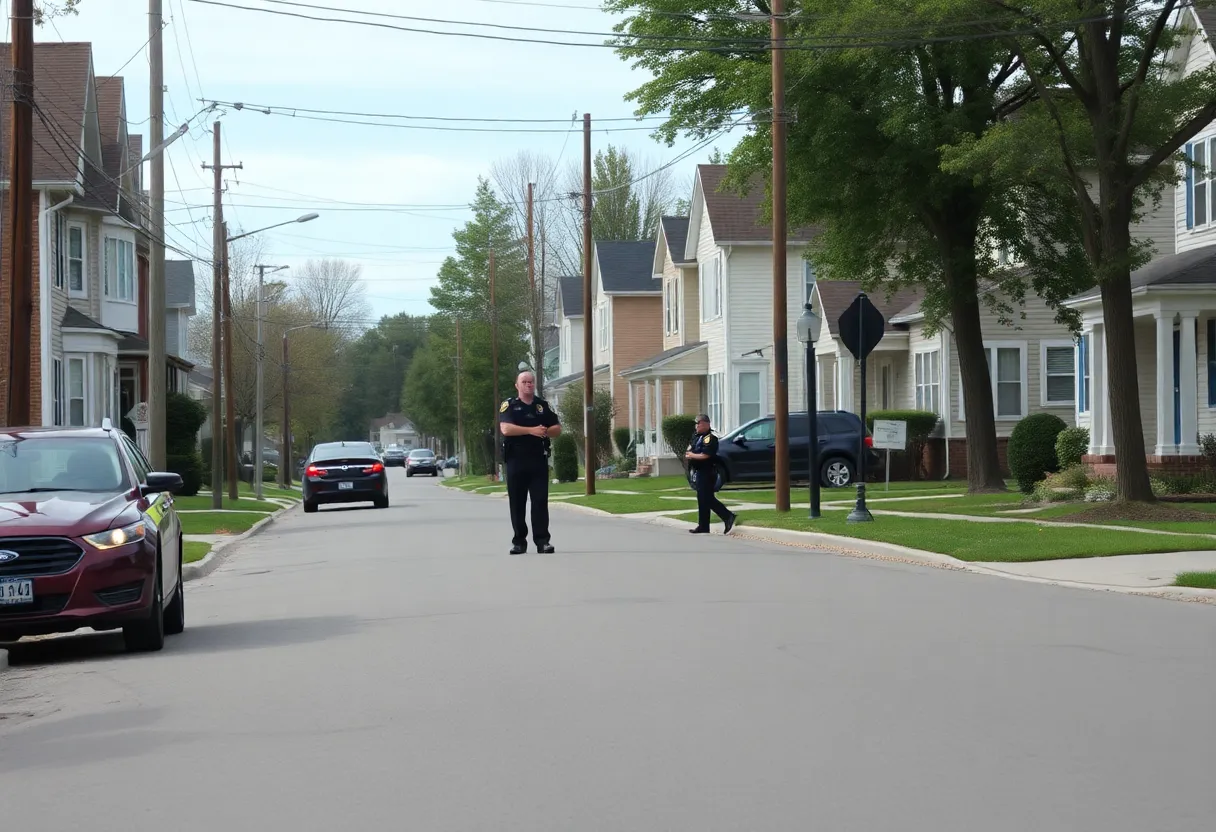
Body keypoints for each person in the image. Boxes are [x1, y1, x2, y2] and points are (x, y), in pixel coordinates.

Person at [498, 371, 561, 555]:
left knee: (540, 501)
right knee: (517, 502)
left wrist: (544, 432)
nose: (528, 385)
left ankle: (543, 541)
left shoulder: (542, 406)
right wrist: (531, 430)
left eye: (531, 382)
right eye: (524, 382)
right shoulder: (509, 405)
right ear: (517, 385)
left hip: (538, 460)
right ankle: (519, 542)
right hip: (516, 460)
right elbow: (506, 428)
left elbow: (557, 428)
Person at [685, 413, 736, 535]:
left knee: (706, 498)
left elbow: (706, 455)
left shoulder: (711, 438)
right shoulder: (697, 437)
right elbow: (689, 449)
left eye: (698, 423)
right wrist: (690, 454)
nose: (696, 426)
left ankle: (728, 516)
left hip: (708, 471)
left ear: (705, 424)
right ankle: (703, 526)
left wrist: (692, 455)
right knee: (702, 499)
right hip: (698, 471)